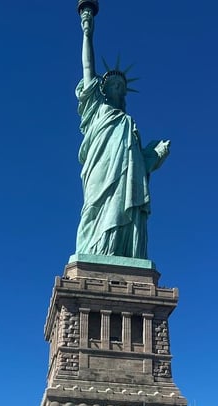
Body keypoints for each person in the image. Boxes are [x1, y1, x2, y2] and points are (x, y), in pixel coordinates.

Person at [75, 6, 171, 259]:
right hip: (100, 169)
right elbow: (88, 68)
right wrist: (87, 33)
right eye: (112, 84)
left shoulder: (129, 123)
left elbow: (139, 161)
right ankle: (95, 252)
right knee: (94, 208)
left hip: (126, 175)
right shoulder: (95, 108)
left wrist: (154, 155)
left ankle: (123, 255)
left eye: (121, 85)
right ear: (103, 89)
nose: (117, 88)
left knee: (124, 206)